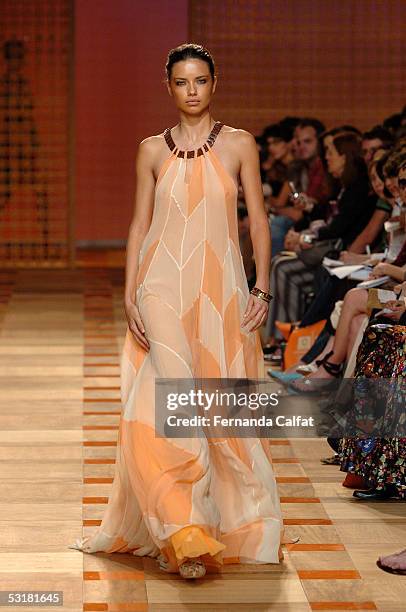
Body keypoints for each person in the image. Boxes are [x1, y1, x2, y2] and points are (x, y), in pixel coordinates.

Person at [68, 43, 283, 580]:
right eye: (183, 82)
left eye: (201, 81)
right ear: (169, 87)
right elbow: (139, 225)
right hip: (159, 286)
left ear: (215, 83)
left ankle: (218, 521)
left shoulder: (239, 145)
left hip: (222, 292)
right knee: (165, 401)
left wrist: (262, 287)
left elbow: (258, 219)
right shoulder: (150, 151)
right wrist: (128, 290)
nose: (192, 90)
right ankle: (184, 534)